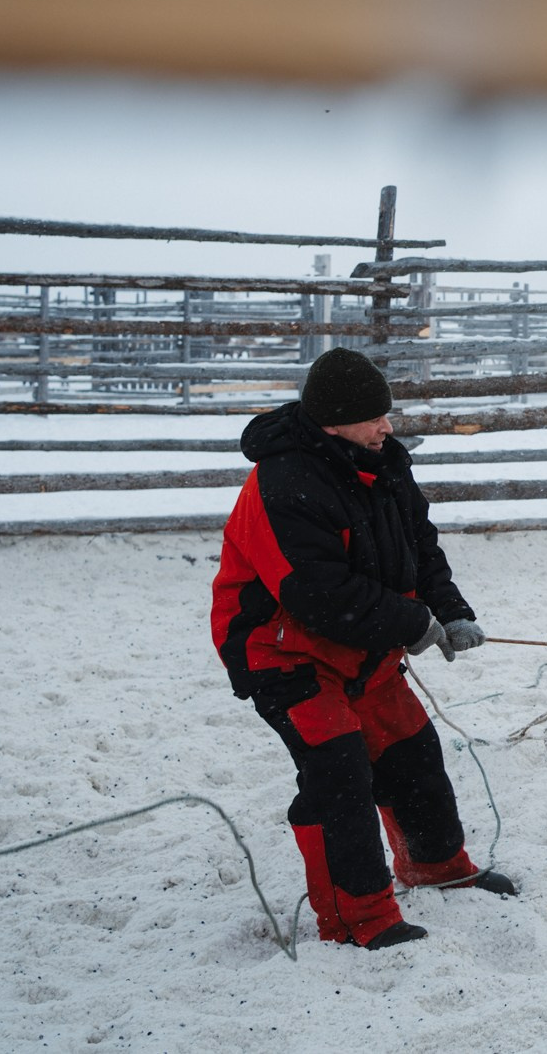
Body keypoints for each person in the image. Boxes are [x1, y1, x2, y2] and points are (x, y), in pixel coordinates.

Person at [210, 346, 513, 949]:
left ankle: (435, 866)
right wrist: (410, 622)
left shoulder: (385, 463)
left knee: (411, 748)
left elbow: (420, 545)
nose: (387, 427)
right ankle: (357, 920)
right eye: (374, 417)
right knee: (338, 770)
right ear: (333, 423)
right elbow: (315, 592)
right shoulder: (283, 482)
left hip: (361, 643)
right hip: (282, 651)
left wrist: (450, 610)